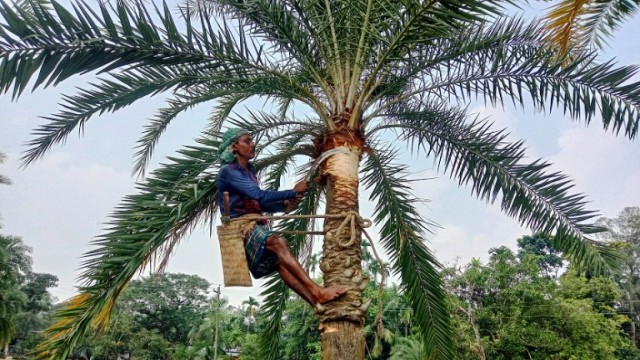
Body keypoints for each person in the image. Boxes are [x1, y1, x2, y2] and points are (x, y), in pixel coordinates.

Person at [217, 128, 347, 307]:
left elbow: (260, 205)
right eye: (247, 141)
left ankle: (316, 304)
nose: (253, 144)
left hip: (255, 223)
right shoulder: (228, 171)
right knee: (278, 242)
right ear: (234, 147)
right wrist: (292, 191)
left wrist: (286, 204)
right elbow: (259, 195)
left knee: (280, 263)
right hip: (241, 226)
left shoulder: (249, 171)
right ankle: (317, 291)